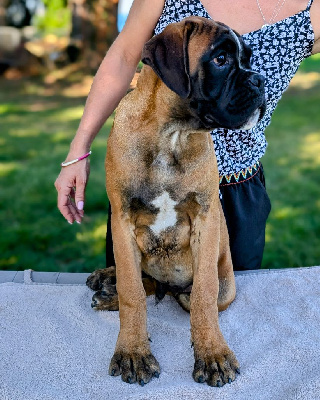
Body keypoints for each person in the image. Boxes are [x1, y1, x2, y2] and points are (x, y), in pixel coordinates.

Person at [55, 0, 320, 271]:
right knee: (134, 300)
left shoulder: (312, 10)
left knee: (226, 306)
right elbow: (123, 57)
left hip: (236, 188)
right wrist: (79, 149)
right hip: (147, 181)